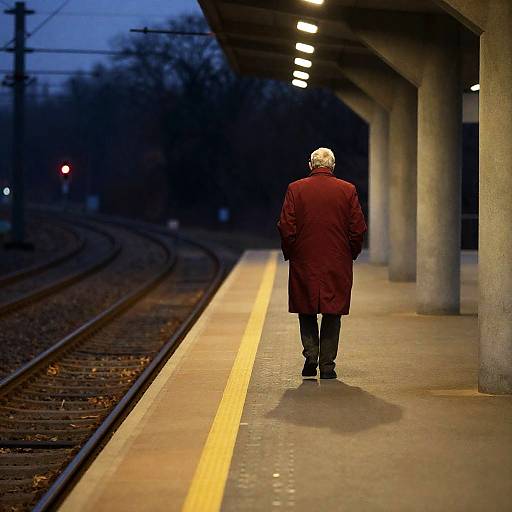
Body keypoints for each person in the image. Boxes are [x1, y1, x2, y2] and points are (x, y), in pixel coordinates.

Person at [277, 147, 367, 379]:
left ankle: (310, 357)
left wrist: (292, 252)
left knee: (306, 309)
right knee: (332, 311)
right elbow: (357, 228)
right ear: (333, 166)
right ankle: (327, 365)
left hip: (304, 259)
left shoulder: (295, 189)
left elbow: (286, 226)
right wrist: (351, 253)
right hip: (337, 260)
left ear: (311, 165)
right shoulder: (348, 190)